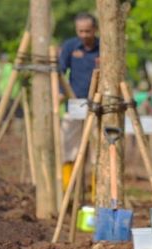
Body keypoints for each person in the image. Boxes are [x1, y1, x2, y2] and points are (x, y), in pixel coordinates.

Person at [59, 12, 100, 190]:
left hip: (98, 105)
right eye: (80, 31)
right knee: (68, 145)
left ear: (95, 30)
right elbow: (60, 72)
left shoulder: (104, 47)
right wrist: (60, 93)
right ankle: (68, 187)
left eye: (88, 31)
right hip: (75, 103)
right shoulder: (70, 46)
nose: (84, 35)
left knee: (97, 150)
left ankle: (96, 190)